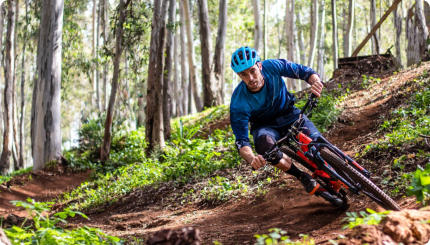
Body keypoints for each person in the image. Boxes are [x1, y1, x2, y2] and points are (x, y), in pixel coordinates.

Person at [229, 46, 343, 207]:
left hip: (290, 114)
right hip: (265, 127)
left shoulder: (272, 66)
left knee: (316, 142)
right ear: (238, 75)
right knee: (265, 147)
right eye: (243, 74)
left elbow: (304, 71)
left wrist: (315, 81)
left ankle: (333, 169)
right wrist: (252, 158)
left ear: (259, 66)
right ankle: (302, 176)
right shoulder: (238, 103)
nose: (250, 78)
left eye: (252, 71)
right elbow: (241, 142)